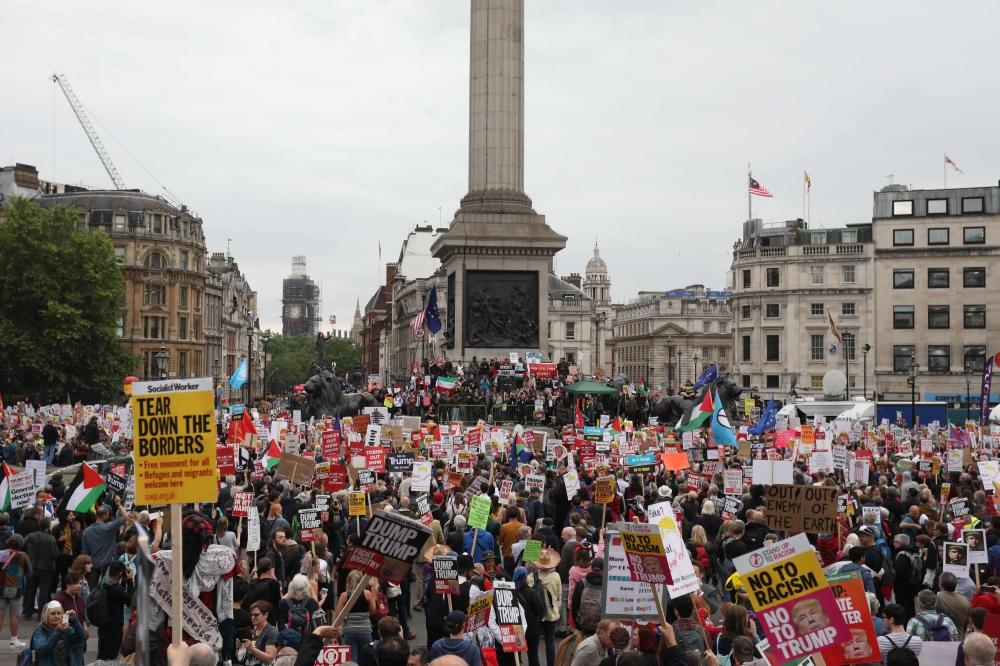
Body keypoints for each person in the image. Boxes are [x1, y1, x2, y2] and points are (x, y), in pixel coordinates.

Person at [80, 502, 126, 589]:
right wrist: (119, 504)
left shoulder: (86, 532)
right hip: (107, 565)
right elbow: (125, 516)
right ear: (105, 515)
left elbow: (84, 553)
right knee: (108, 589)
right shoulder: (109, 527)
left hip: (92, 565)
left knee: (91, 591)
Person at [334, 570, 377, 662]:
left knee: (352, 658)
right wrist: (373, 595)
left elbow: (338, 614)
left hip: (349, 630)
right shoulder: (367, 594)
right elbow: (373, 611)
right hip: (365, 629)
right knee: (366, 656)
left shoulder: (344, 596)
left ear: (348, 581)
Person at [28, 600, 86, 666]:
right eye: (53, 613)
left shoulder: (65, 629)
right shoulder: (39, 631)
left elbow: (81, 638)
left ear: (62, 615)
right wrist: (57, 631)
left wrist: (75, 620)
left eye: (59, 613)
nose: (56, 616)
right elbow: (42, 650)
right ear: (46, 615)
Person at [24, 516, 59, 622]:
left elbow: (22, 544)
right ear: (48, 527)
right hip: (47, 568)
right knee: (44, 592)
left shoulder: (31, 536)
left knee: (31, 590)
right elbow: (55, 554)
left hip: (33, 566)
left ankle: (28, 613)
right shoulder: (51, 538)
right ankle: (41, 614)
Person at [96, 561, 133, 660]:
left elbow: (121, 593)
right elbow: (130, 600)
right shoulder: (115, 590)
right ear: (121, 573)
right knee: (111, 656)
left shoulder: (104, 585)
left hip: (103, 625)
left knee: (102, 654)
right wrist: (129, 581)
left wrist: (124, 581)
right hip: (114, 627)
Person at [0, 533, 31, 651]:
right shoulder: (23, 556)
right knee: (14, 615)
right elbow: (29, 573)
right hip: (16, 588)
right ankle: (13, 641)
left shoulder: (1, 554)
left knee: (0, 614)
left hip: (1, 587)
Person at [242, 600, 278, 665]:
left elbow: (270, 659)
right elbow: (242, 658)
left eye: (256, 615)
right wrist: (239, 647)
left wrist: (252, 649)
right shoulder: (252, 631)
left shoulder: (271, 632)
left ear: (265, 615)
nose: (253, 617)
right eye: (251, 615)